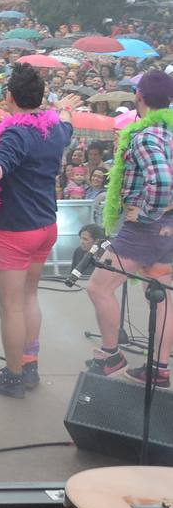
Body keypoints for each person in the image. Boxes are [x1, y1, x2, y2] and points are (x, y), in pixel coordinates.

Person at [0, 64, 80, 397]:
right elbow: (67, 124)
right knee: (30, 296)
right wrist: (65, 109)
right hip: (45, 226)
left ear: (9, 97)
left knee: (11, 306)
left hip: (13, 232)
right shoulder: (54, 129)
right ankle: (29, 362)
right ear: (41, 98)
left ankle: (13, 375)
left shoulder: (14, 134)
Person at [85, 69, 173, 388]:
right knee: (162, 297)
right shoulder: (170, 133)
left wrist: (148, 212)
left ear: (139, 98)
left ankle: (111, 356)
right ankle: (159, 368)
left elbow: (162, 181)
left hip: (143, 232)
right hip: (167, 232)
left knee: (99, 286)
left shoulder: (146, 136)